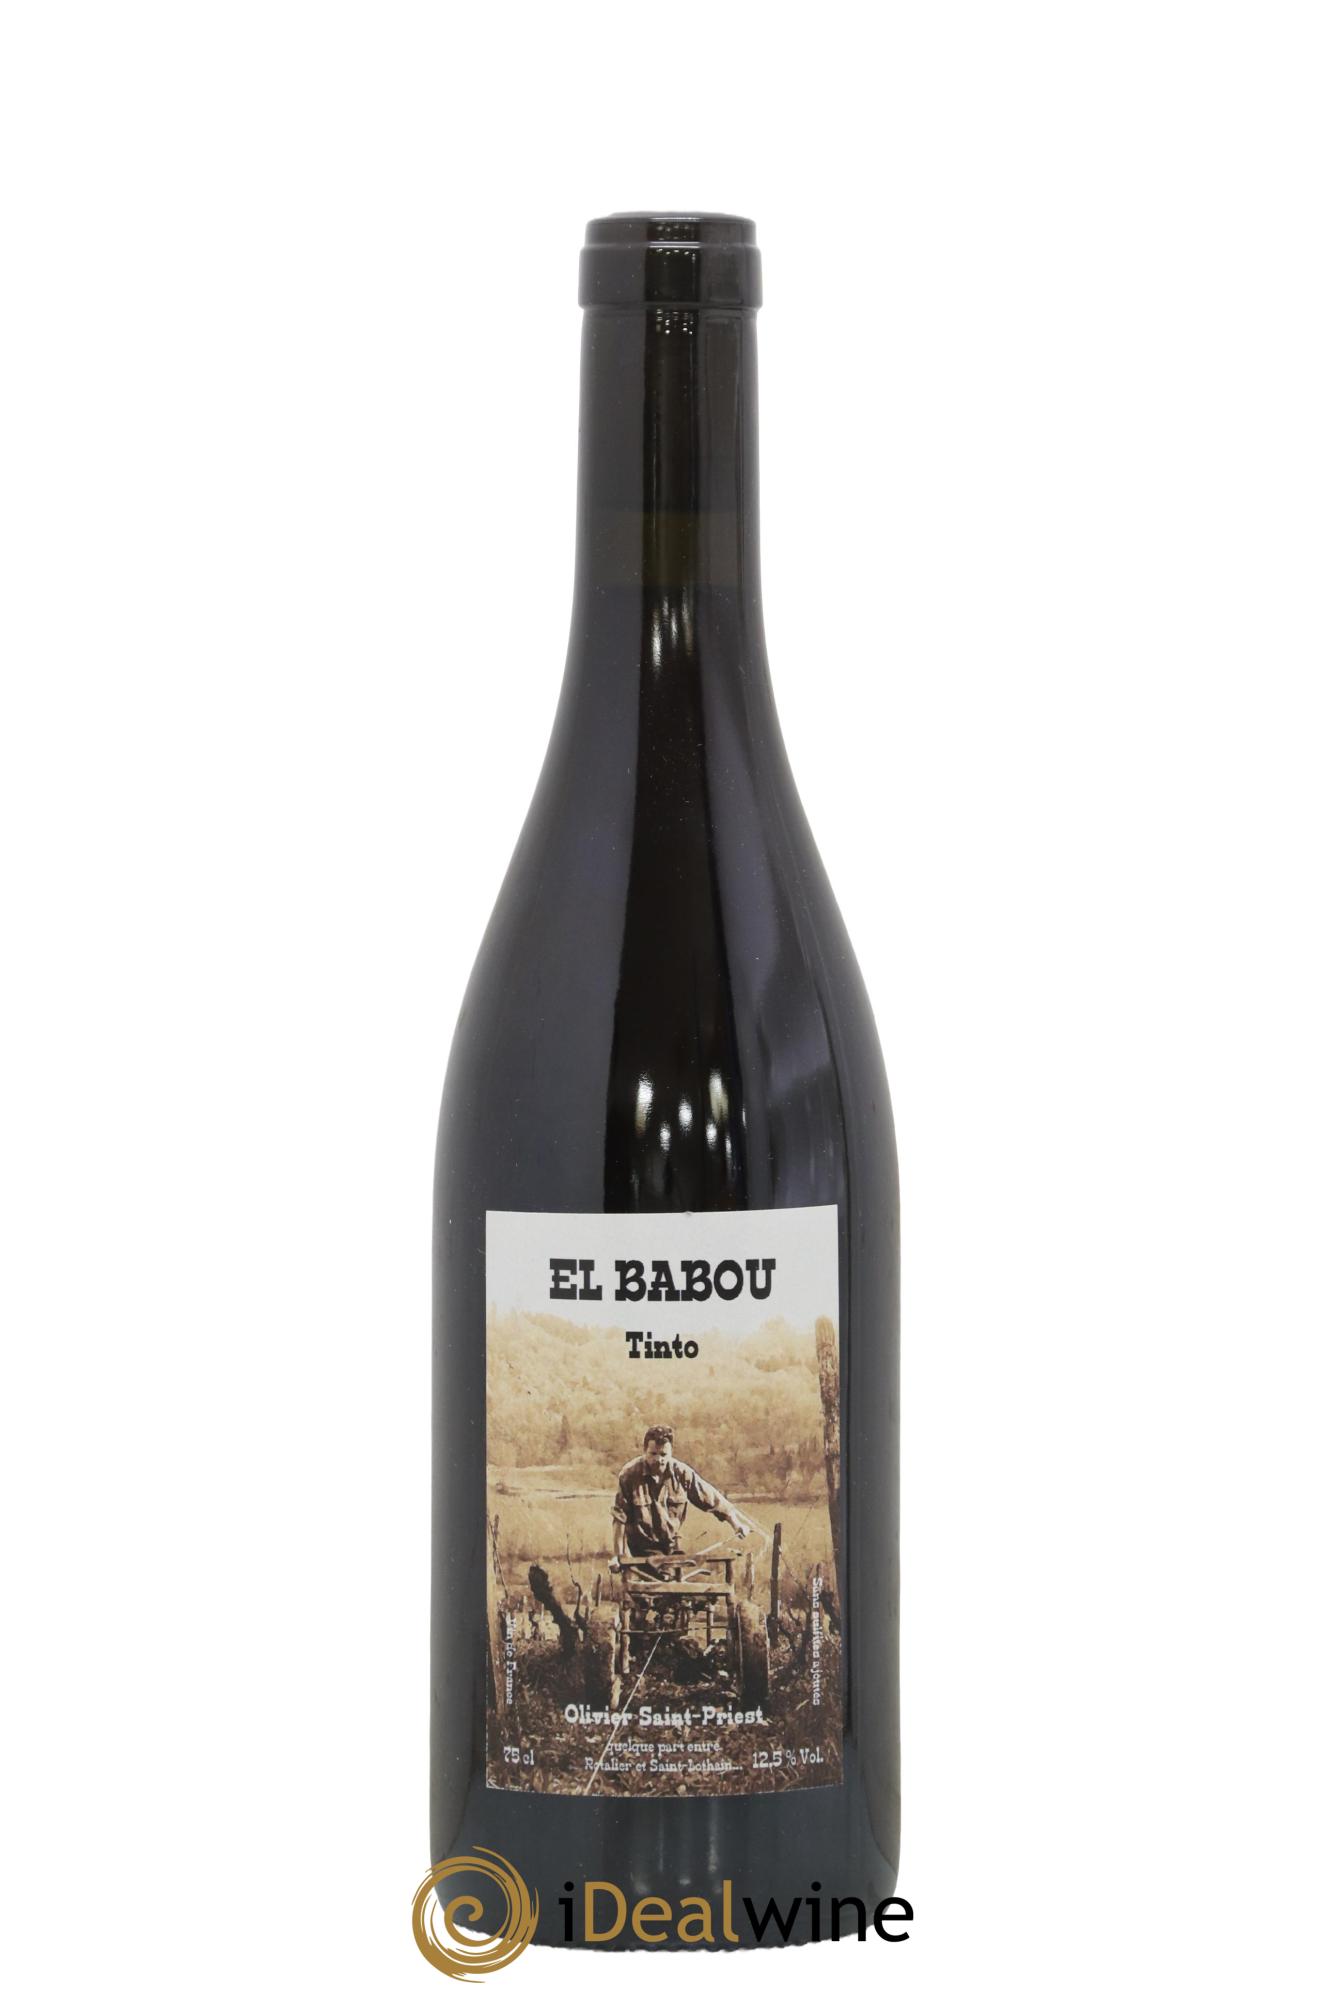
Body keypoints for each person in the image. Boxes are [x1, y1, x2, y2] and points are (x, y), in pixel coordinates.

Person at [610, 1424, 750, 1564]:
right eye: (653, 1454)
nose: (659, 1460)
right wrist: (618, 1556)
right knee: (655, 1577)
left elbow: (710, 1498)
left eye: (663, 1455)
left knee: (684, 1575)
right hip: (641, 1550)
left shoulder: (681, 1473)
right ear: (644, 1451)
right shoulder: (629, 1475)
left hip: (672, 1545)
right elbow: (619, 1518)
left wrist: (736, 1524)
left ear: (671, 1453)